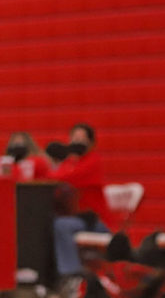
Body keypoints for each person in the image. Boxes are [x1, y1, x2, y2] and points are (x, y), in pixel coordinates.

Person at [49, 123, 113, 296]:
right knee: (51, 223)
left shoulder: (93, 161)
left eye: (82, 139)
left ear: (91, 143)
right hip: (77, 220)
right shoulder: (69, 163)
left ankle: (72, 276)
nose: (77, 142)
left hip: (95, 222)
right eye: (74, 138)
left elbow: (65, 178)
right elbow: (53, 177)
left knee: (61, 225)